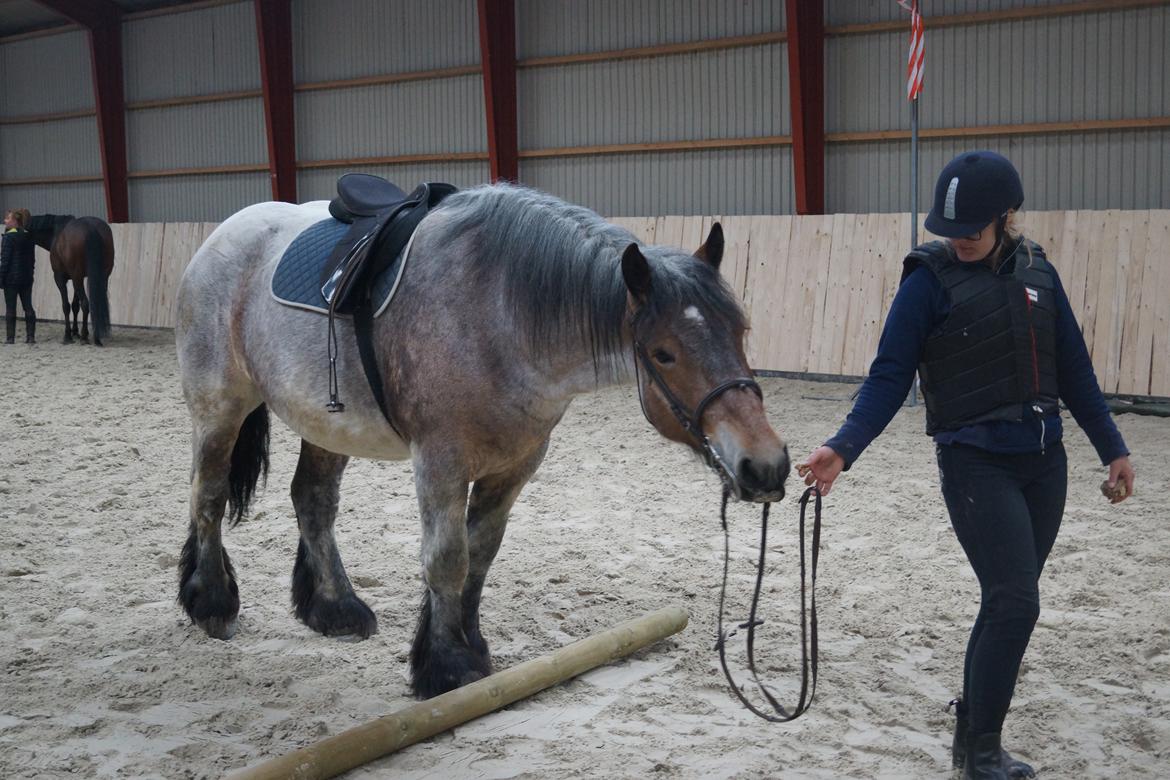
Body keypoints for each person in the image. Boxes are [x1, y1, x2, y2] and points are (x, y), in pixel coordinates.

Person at [797, 151, 1135, 780]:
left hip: (1045, 462)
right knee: (1017, 602)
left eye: (972, 231)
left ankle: (970, 735)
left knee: (1006, 601)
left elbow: (1078, 372)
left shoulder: (1042, 275)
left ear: (1007, 218)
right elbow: (889, 375)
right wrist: (843, 447)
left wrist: (1112, 446)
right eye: (949, 230)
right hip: (975, 464)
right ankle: (981, 753)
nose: (959, 241)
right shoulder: (926, 281)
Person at [0, 207, 36, 344]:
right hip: (26, 277)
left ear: (15, 221)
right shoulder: (28, 235)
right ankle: (31, 337)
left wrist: (1, 277)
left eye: (7, 219)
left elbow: (5, 260)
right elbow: (32, 260)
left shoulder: (8, 237)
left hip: (11, 279)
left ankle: (10, 338)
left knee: (11, 309)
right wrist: (30, 273)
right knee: (28, 307)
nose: (5, 221)